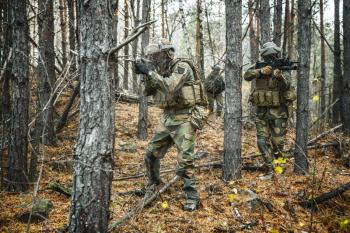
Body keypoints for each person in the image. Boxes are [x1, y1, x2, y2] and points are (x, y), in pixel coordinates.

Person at [134, 38, 208, 211]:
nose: (153, 59)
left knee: (185, 160)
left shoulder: (181, 67)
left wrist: (151, 72)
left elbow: (171, 86)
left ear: (167, 53)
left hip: (185, 118)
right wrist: (145, 74)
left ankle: (192, 197)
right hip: (167, 118)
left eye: (156, 55)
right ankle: (154, 185)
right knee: (151, 154)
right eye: (151, 56)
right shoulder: (159, 71)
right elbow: (146, 92)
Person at [243, 42, 296, 170]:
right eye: (269, 55)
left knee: (278, 143)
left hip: (279, 112)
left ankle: (278, 166)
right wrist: (260, 71)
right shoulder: (259, 66)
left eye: (273, 55)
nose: (272, 57)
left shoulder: (282, 67)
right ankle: (269, 167)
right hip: (262, 112)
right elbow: (246, 75)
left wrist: (279, 77)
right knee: (261, 142)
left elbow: (287, 85)